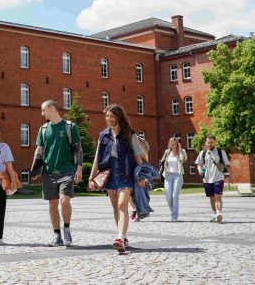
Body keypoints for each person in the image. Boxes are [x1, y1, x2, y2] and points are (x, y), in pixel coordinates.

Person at [87, 104, 146, 253]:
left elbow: (138, 156)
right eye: (107, 116)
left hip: (126, 173)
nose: (109, 119)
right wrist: (91, 177)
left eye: (113, 116)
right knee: (115, 207)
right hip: (109, 174)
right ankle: (123, 237)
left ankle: (120, 237)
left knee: (121, 205)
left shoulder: (129, 134)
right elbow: (97, 158)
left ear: (119, 117)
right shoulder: (103, 135)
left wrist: (141, 175)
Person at [31, 99, 83, 247]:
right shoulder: (43, 129)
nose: (42, 113)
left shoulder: (70, 127)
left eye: (43, 110)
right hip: (49, 171)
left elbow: (78, 149)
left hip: (67, 170)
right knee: (52, 204)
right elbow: (39, 150)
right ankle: (57, 235)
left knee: (64, 201)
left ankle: (66, 229)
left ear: (52, 108)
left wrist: (79, 168)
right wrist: (35, 169)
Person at [195, 135, 231, 223]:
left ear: (215, 142)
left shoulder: (221, 152)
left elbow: (227, 165)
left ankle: (218, 213)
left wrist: (230, 176)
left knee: (217, 196)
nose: (210, 144)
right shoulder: (203, 153)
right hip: (207, 179)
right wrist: (200, 171)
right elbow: (198, 164)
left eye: (211, 142)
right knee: (211, 198)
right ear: (206, 143)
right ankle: (215, 214)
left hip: (219, 177)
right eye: (208, 142)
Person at [159, 136, 187, 221]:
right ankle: (174, 211)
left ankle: (174, 216)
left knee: (175, 195)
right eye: (172, 144)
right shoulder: (167, 152)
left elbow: (183, 160)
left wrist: (180, 150)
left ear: (177, 144)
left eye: (175, 144)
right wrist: (159, 172)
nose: (173, 145)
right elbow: (162, 162)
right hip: (168, 176)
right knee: (168, 196)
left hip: (178, 176)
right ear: (169, 144)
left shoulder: (182, 151)